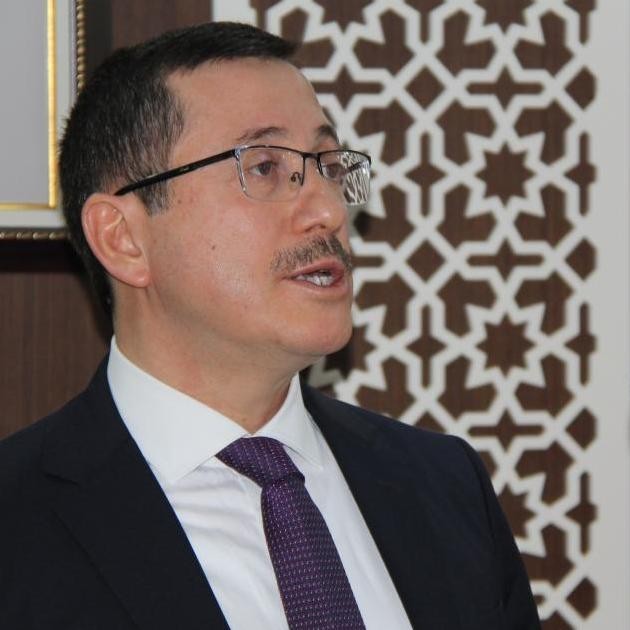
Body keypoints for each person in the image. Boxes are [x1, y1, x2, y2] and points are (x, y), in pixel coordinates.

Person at [0, 22, 540, 630]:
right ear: (122, 238)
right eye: (262, 167)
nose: (329, 211)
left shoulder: (444, 484)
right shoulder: (16, 527)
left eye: (328, 167)